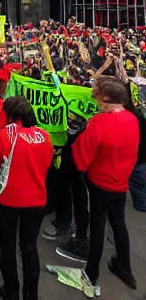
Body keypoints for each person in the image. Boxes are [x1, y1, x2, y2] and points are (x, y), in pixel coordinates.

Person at [72, 76, 139, 295]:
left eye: (96, 91)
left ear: (107, 97)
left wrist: (78, 134)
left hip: (99, 183)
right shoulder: (132, 119)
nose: (93, 95)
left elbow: (82, 158)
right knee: (118, 224)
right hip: (120, 182)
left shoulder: (99, 122)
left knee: (98, 226)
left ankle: (91, 274)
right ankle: (125, 267)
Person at [0, 97, 52, 300]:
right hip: (37, 199)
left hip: (7, 201)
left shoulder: (2, 137)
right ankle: (32, 295)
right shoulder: (44, 136)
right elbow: (46, 165)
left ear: (9, 114)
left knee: (9, 246)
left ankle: (11, 290)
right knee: (29, 246)